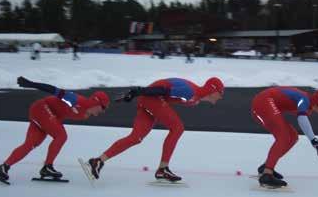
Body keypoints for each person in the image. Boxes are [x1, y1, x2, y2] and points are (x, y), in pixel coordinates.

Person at [86, 77, 224, 182]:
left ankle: (98, 160)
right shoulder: (190, 92)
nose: (221, 97)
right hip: (152, 98)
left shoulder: (196, 99)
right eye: (220, 93)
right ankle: (162, 169)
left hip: (149, 101)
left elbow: (166, 91)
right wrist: (138, 91)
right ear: (213, 91)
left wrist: (140, 93)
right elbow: (163, 89)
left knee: (136, 138)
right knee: (177, 128)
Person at [0, 77, 110, 183]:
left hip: (46, 116)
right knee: (61, 136)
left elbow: (61, 112)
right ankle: (47, 167)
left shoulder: (86, 114)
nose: (102, 112)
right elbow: (54, 90)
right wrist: (32, 84)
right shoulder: (76, 100)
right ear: (95, 102)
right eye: (103, 108)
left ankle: (3, 167)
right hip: (42, 109)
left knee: (30, 144)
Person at [251, 87, 318, 188]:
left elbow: (303, 118)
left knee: (293, 137)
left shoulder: (308, 104)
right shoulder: (305, 100)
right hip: (264, 101)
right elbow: (302, 119)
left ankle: (266, 167)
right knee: (284, 137)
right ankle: (267, 175)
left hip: (266, 102)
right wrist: (314, 141)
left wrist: (314, 142)